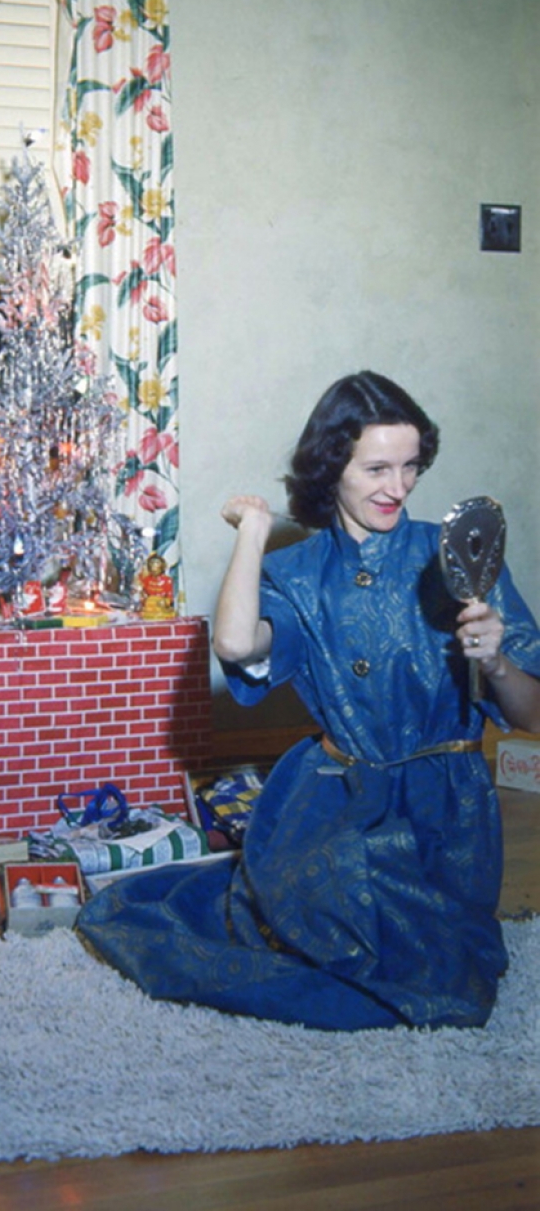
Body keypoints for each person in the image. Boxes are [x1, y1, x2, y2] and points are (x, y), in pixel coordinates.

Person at [76, 371, 540, 1030]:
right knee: (320, 944)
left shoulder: (453, 554)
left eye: (410, 467)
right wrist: (253, 532)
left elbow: (530, 715)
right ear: (332, 468)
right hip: (332, 801)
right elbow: (236, 645)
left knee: (445, 987)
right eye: (376, 468)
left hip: (444, 814)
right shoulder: (297, 571)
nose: (397, 487)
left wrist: (493, 660)